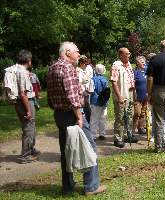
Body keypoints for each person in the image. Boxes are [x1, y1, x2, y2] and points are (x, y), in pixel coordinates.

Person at [47, 41, 106, 195]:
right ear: (67, 52)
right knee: (89, 148)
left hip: (59, 114)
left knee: (66, 151)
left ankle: (67, 186)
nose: (79, 54)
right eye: (77, 51)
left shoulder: (52, 67)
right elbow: (73, 96)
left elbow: (49, 97)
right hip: (72, 115)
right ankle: (92, 186)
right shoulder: (68, 68)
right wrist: (79, 117)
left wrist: (58, 109)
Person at [14, 50, 40, 164]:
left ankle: (30, 149)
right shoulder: (23, 72)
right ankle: (25, 155)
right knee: (29, 129)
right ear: (28, 60)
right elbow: (23, 93)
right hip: (25, 102)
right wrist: (28, 110)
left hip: (19, 102)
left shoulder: (16, 70)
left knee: (30, 127)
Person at [110, 47, 138, 148]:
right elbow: (113, 81)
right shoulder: (116, 65)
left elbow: (132, 80)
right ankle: (118, 138)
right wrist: (119, 96)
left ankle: (127, 135)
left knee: (130, 115)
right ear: (121, 55)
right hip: (121, 94)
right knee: (120, 117)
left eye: (129, 53)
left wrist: (134, 94)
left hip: (130, 93)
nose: (129, 55)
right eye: (127, 54)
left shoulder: (129, 64)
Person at [89, 64, 109, 141]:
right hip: (104, 101)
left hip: (95, 101)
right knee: (102, 118)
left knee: (94, 118)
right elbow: (107, 91)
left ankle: (93, 135)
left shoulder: (92, 79)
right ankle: (102, 134)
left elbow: (91, 90)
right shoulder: (105, 79)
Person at [133, 56, 148, 135]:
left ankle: (141, 127)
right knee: (137, 113)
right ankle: (132, 129)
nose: (143, 63)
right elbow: (132, 84)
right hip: (138, 96)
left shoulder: (147, 70)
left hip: (146, 95)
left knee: (143, 113)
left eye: (144, 61)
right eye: (141, 61)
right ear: (137, 63)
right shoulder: (135, 72)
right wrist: (134, 93)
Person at [77, 55, 93, 123]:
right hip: (82, 92)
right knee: (83, 107)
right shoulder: (78, 70)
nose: (86, 66)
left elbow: (90, 78)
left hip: (88, 91)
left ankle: (89, 121)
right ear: (80, 63)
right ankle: (84, 122)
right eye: (84, 64)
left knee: (88, 107)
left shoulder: (88, 68)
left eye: (87, 64)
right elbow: (79, 82)